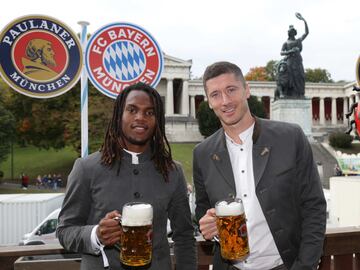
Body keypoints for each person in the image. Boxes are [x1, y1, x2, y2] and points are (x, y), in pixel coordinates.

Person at [193, 61, 326, 270]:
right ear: (209, 102)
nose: (225, 101)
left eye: (231, 90)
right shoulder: (202, 153)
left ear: (247, 90)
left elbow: (314, 206)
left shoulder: (290, 137)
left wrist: (305, 265)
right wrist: (207, 226)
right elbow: (202, 211)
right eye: (215, 94)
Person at [57, 82, 196, 270]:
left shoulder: (173, 171)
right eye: (132, 110)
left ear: (157, 120)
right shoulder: (86, 168)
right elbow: (65, 231)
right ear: (118, 116)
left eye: (149, 112)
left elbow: (184, 236)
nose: (140, 118)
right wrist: (96, 234)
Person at [280, 13, 309, 97]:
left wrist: (304, 21)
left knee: (300, 77)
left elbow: (306, 33)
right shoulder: (286, 43)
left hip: (298, 61)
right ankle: (287, 93)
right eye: (290, 31)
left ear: (295, 32)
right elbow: (281, 52)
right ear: (289, 33)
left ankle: (300, 94)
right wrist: (290, 51)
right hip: (289, 61)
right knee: (290, 79)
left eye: (293, 31)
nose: (292, 32)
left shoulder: (298, 40)